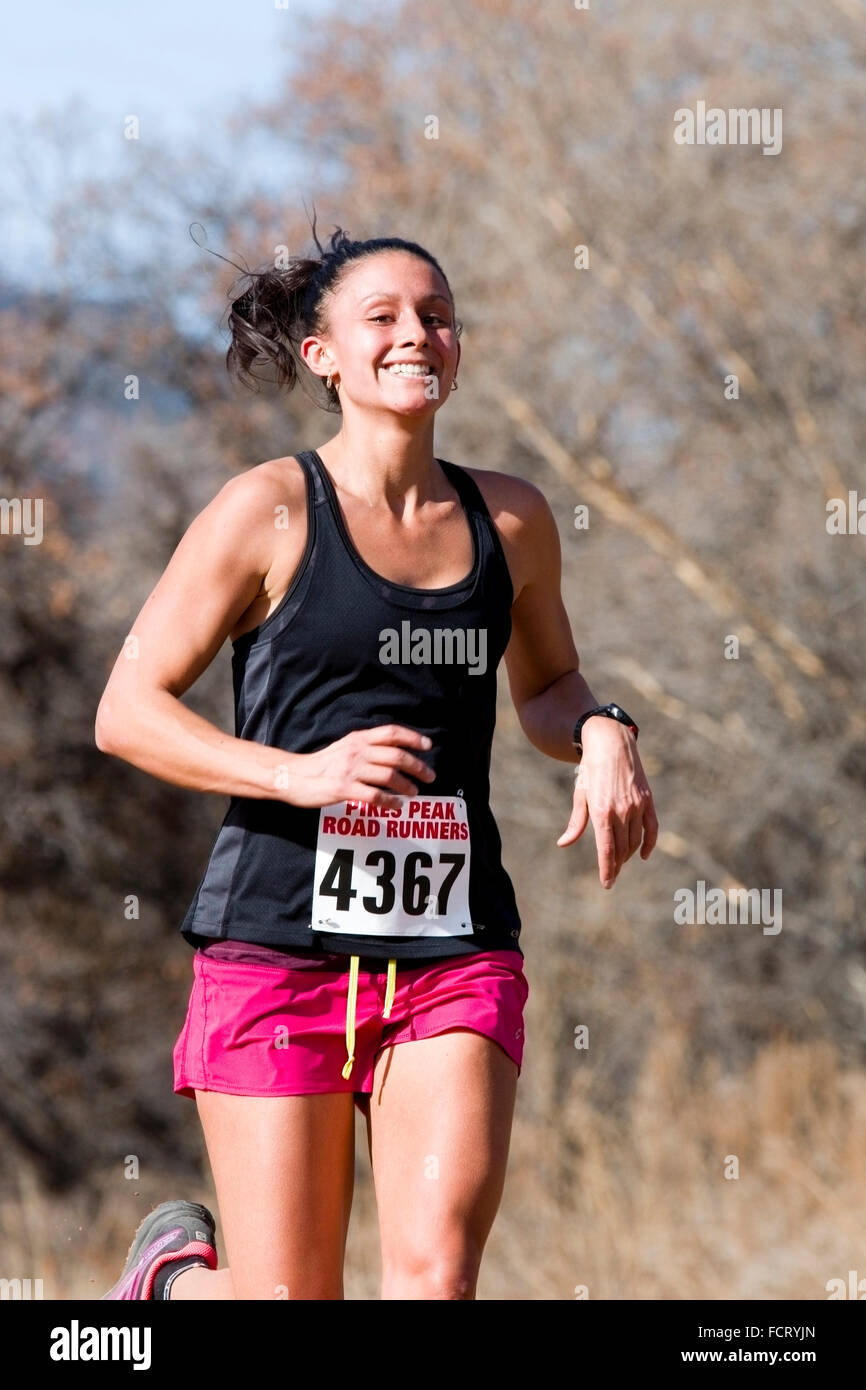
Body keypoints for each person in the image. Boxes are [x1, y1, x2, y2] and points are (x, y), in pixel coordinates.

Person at [95, 222, 658, 1301]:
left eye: (436, 316)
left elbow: (545, 688)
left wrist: (600, 728)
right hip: (275, 945)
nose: (417, 335)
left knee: (433, 1278)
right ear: (323, 356)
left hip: (448, 951)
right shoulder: (264, 511)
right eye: (384, 318)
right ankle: (173, 1285)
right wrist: (295, 774)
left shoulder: (510, 517)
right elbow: (126, 710)